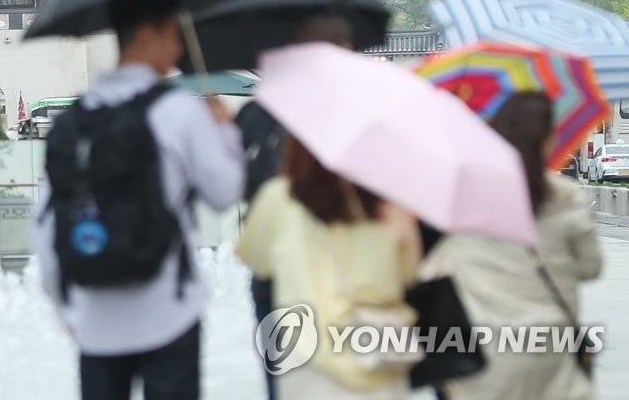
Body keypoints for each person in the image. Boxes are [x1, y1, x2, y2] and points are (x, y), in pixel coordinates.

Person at [32, 0, 245, 400]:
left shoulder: (74, 120)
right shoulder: (178, 111)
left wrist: (65, 306)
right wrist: (225, 131)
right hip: (168, 309)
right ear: (146, 36)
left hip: (94, 317)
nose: (180, 47)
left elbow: (44, 223)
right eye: (173, 35)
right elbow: (224, 192)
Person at [419, 92, 602, 400]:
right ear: (547, 140)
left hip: (475, 345)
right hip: (549, 346)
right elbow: (590, 268)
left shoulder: (461, 195)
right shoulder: (566, 199)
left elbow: (428, 266)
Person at [238, 132, 422, 400]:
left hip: (307, 349)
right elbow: (409, 273)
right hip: (380, 346)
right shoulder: (392, 204)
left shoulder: (278, 197)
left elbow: (256, 259)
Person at [237, 13, 356, 400]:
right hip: (349, 273)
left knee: (286, 386)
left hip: (278, 273)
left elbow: (241, 197)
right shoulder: (363, 112)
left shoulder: (255, 116)